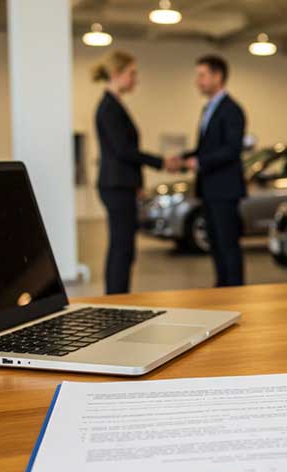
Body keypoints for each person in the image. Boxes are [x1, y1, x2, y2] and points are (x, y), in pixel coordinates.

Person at [92, 50, 180, 295]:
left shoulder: (115, 105)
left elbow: (125, 152)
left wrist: (137, 183)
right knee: (122, 248)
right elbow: (124, 151)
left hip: (122, 184)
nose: (135, 79)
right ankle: (116, 300)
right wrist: (161, 162)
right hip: (116, 185)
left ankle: (117, 296)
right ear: (117, 74)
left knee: (123, 247)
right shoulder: (109, 108)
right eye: (132, 73)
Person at [181, 55, 247, 287]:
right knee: (216, 246)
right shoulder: (208, 108)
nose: (198, 81)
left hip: (225, 190)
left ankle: (236, 293)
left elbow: (231, 149)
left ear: (217, 76)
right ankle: (222, 291)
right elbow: (207, 148)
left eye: (202, 75)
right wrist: (184, 158)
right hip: (209, 189)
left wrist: (198, 162)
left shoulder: (232, 110)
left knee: (228, 246)